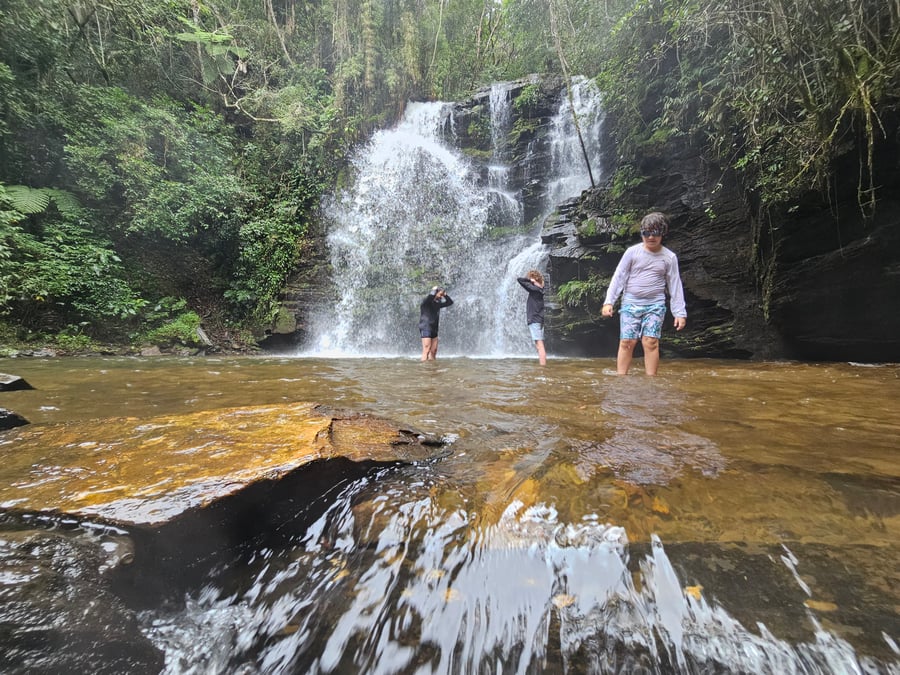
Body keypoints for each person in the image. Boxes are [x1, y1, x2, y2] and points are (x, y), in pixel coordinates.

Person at [601, 212, 686, 375]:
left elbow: (675, 284)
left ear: (663, 233)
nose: (650, 237)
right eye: (646, 233)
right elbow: (619, 277)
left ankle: (651, 380)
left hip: (655, 306)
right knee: (627, 341)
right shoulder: (632, 253)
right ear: (641, 233)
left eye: (655, 233)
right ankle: (621, 378)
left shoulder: (669, 257)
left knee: (651, 342)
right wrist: (609, 301)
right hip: (630, 304)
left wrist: (680, 313)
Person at [517, 270, 547, 365]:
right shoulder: (539, 290)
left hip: (534, 319)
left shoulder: (534, 290)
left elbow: (520, 280)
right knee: (539, 345)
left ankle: (543, 368)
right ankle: (542, 366)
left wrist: (532, 281)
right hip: (539, 319)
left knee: (540, 345)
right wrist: (536, 282)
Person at [419, 286, 454, 361]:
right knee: (427, 349)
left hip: (434, 328)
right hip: (425, 327)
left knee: (434, 351)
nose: (441, 297)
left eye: (442, 295)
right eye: (440, 294)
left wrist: (445, 295)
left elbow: (450, 302)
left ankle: (432, 368)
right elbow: (430, 297)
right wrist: (434, 290)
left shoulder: (437, 303)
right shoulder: (426, 302)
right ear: (435, 293)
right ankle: (423, 368)